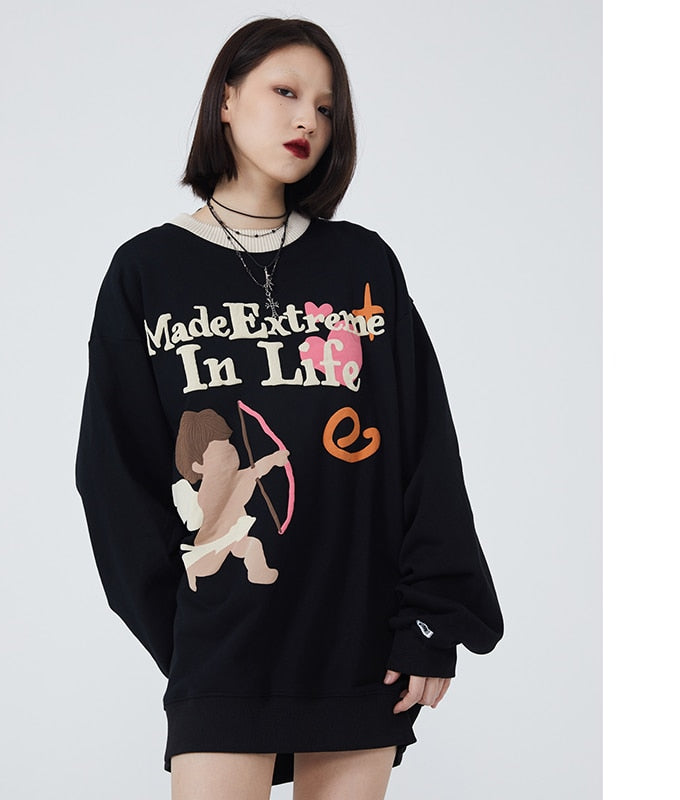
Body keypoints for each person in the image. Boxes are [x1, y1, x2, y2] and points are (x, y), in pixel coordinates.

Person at [74, 16, 504, 800]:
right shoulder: (146, 271)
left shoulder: (363, 264)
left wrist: (432, 618)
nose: (308, 118)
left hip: (358, 641)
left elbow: (425, 451)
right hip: (224, 648)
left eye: (326, 106)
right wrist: (188, 624)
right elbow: (113, 475)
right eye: (285, 92)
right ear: (226, 99)